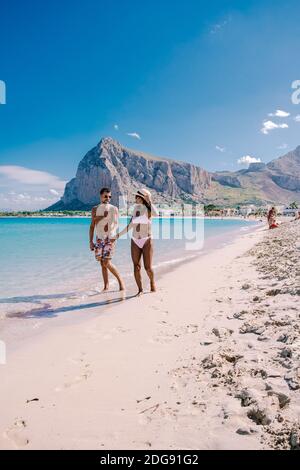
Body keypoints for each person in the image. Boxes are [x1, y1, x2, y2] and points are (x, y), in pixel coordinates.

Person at [116, 189, 157, 296]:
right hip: (135, 240)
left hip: (147, 240)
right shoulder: (135, 209)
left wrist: (149, 201)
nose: (136, 198)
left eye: (138, 197)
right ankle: (140, 289)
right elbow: (131, 225)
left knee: (148, 267)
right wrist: (118, 235)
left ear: (144, 198)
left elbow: (156, 214)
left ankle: (152, 282)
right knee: (136, 266)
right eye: (136, 197)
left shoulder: (149, 210)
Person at [89, 187, 125, 292]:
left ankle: (120, 281)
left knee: (107, 263)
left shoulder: (114, 208)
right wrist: (90, 241)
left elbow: (117, 223)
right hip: (99, 238)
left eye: (109, 197)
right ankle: (106, 286)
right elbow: (92, 225)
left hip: (110, 238)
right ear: (100, 196)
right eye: (105, 196)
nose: (108, 198)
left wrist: (109, 227)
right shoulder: (95, 209)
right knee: (102, 263)